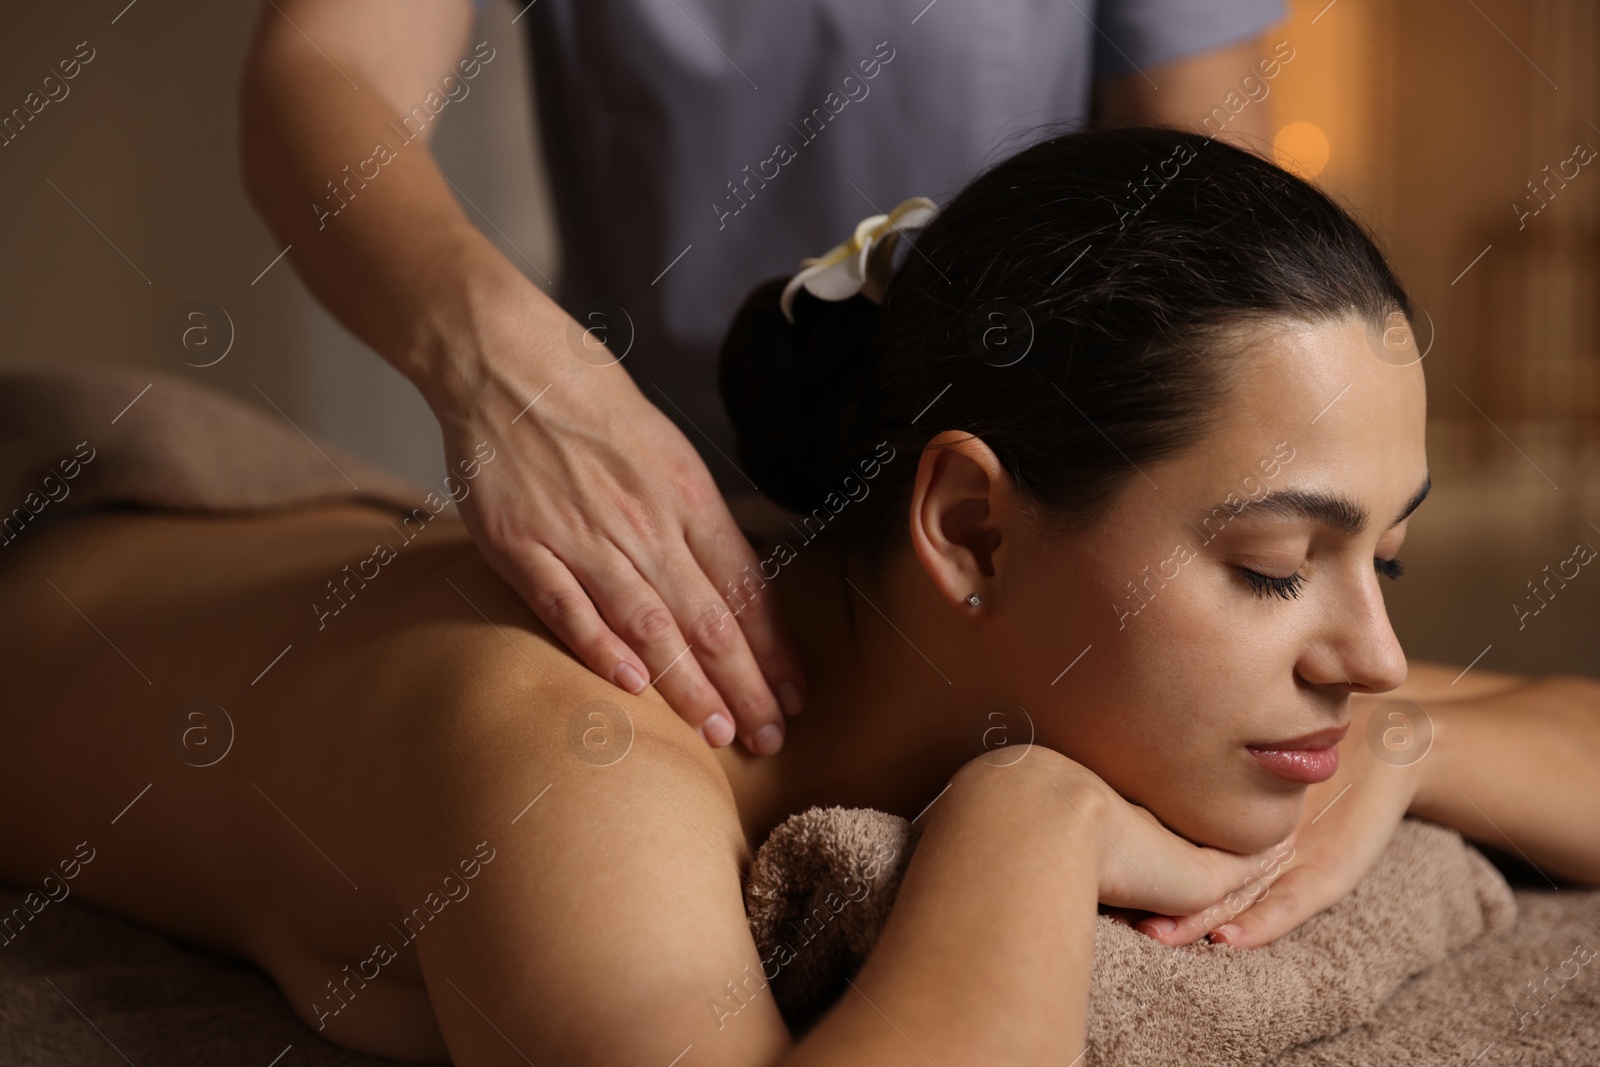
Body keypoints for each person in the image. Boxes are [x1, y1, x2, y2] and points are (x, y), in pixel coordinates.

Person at [12, 127, 1595, 1064]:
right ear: (969, 527)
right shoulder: (579, 756)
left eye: (1382, 557)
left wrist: (1404, 753)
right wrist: (1031, 819)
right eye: (1273, 567)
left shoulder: (1051, 636)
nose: (1375, 652)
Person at [238, 0, 1288, 759]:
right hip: (649, 516)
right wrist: (502, 367)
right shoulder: (590, 743)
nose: (1367, 660)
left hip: (1035, 530)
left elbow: (1207, 236)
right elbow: (331, 66)